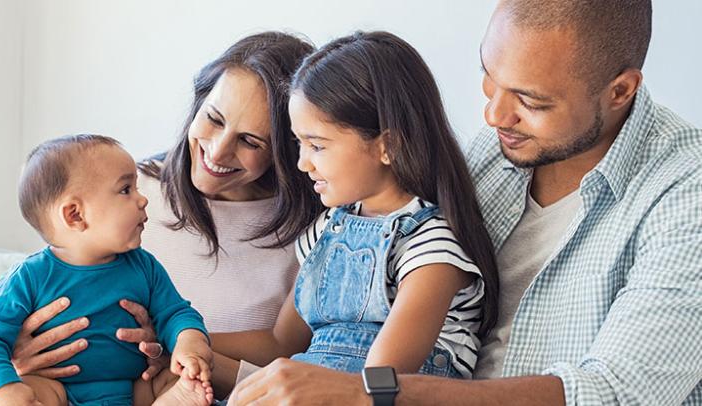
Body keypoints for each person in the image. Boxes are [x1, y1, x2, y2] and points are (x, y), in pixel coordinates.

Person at [228, 1, 702, 405]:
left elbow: (615, 392)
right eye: (489, 77)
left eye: (531, 101)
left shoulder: (685, 190)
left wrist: (368, 391)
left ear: (620, 90)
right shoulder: (497, 149)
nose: (493, 114)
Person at [0, 32, 325, 384]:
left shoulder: (315, 229)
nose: (218, 152)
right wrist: (17, 351)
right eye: (213, 118)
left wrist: (174, 341)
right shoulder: (127, 192)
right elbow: (49, 290)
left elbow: (284, 349)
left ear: (288, 148)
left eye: (250, 141)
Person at [203, 30, 500, 394]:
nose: (301, 163)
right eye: (299, 143)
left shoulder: (431, 246)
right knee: (171, 378)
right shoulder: (326, 230)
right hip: (312, 390)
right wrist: (188, 342)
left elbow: (377, 385)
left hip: (370, 396)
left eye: (317, 145)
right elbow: (282, 345)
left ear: (388, 145)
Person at [0, 135, 214, 406]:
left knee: (171, 379)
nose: (142, 200)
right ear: (75, 215)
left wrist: (189, 342)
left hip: (135, 388)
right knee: (30, 391)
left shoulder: (145, 266)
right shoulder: (29, 276)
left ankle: (174, 398)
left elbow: (175, 312)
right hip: (59, 391)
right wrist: (6, 388)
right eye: (126, 189)